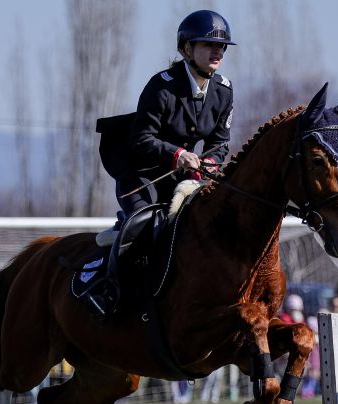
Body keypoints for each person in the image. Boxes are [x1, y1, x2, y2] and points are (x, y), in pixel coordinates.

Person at [89, 9, 236, 318]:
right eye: (208, 44)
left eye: (221, 46)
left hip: (181, 177)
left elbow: (220, 142)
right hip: (140, 174)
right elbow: (141, 139)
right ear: (186, 49)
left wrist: (208, 161)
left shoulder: (223, 90)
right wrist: (178, 154)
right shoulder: (162, 86)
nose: (217, 51)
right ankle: (108, 291)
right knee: (143, 228)